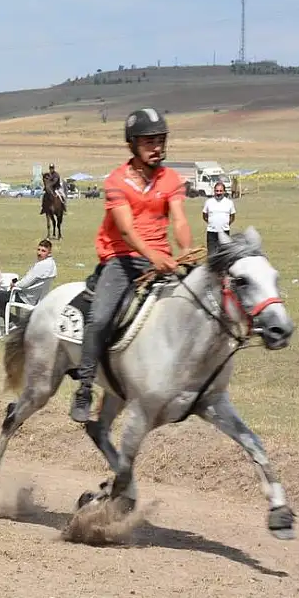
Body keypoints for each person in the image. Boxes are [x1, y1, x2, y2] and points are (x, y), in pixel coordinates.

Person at [68, 107, 193, 424]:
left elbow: (179, 219)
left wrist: (187, 250)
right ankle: (84, 388)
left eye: (161, 140)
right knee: (99, 319)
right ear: (132, 145)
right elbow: (126, 230)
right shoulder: (116, 181)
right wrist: (153, 256)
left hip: (163, 258)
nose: (157, 148)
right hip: (121, 259)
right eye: (149, 141)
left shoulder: (171, 179)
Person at [0, 239, 57, 319]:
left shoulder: (42, 265)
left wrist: (15, 285)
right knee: (1, 297)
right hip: (35, 297)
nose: (39, 253)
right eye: (38, 250)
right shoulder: (52, 264)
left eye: (43, 251)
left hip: (26, 297)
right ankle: (13, 322)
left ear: (49, 252)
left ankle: (14, 321)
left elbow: (25, 283)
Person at [202, 183, 236, 254]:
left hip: (224, 232)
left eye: (220, 191)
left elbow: (232, 217)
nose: (218, 193)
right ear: (214, 191)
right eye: (217, 191)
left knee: (224, 254)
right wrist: (211, 223)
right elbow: (204, 216)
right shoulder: (209, 202)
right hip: (211, 233)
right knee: (212, 254)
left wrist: (226, 224)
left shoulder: (229, 202)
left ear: (224, 191)